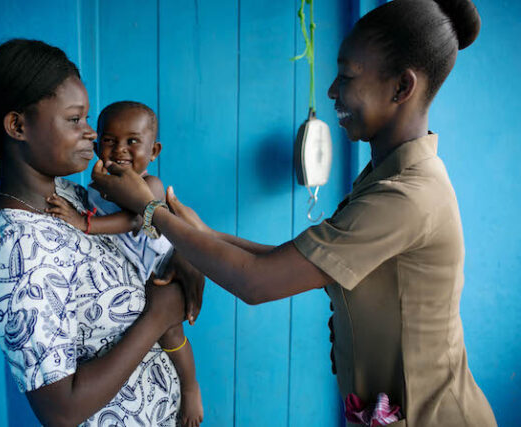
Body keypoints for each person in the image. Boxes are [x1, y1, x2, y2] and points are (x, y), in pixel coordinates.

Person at [90, 0, 497, 425]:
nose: (332, 91)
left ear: (401, 88)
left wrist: (150, 210)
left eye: (347, 76)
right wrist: (202, 234)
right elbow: (292, 260)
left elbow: (257, 281)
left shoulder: (406, 196)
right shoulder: (384, 177)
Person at [0, 38, 203, 427]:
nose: (92, 134)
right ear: (18, 126)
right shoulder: (16, 249)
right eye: (74, 120)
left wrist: (183, 253)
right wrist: (158, 316)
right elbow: (61, 411)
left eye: (87, 118)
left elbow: (141, 231)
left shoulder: (67, 195)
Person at [46, 101, 204, 427]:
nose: (120, 149)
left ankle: (190, 387)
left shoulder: (151, 185)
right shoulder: (96, 187)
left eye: (132, 141)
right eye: (109, 140)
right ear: (97, 145)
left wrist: (85, 224)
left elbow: (134, 219)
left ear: (154, 150)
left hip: (162, 267)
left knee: (171, 331)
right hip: (137, 271)